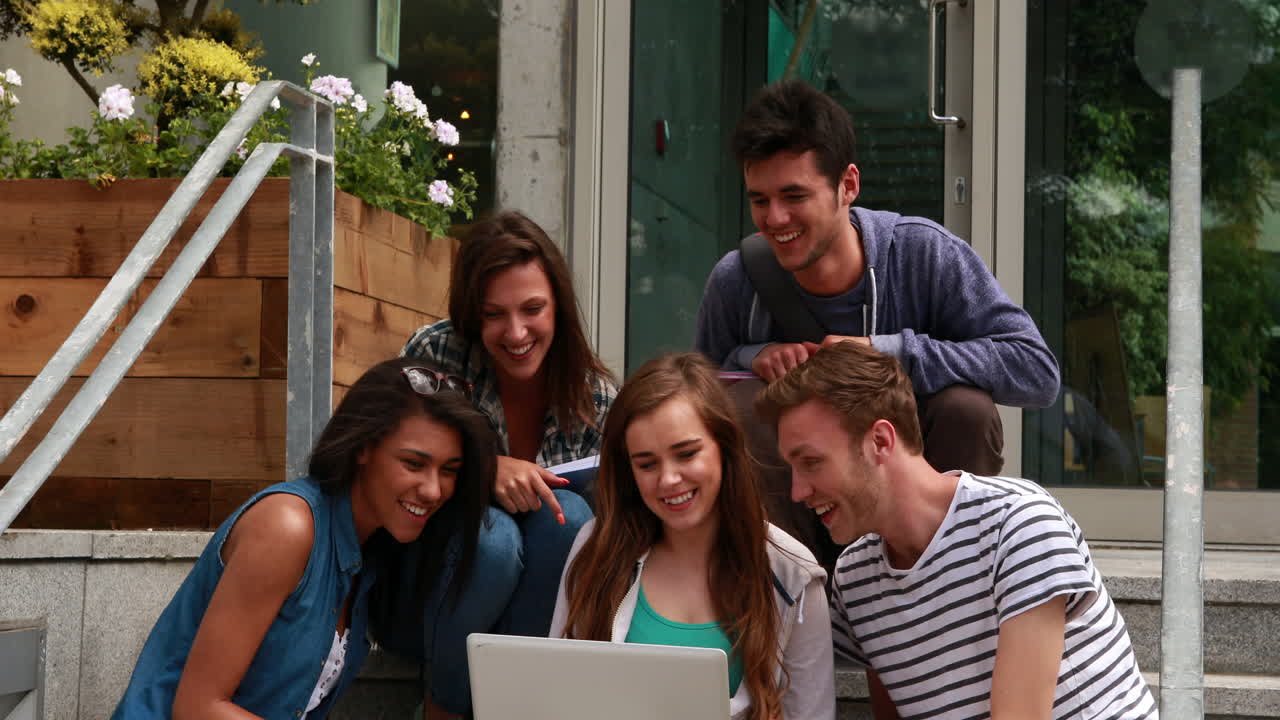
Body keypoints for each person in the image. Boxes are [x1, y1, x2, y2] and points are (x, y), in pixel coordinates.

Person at [695, 79, 1060, 563]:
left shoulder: (921, 254)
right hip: (793, 528)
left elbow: (1036, 371)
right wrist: (748, 358)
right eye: (759, 200)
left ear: (848, 185)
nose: (775, 218)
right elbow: (691, 407)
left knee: (965, 409)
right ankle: (793, 598)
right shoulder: (737, 279)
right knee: (736, 405)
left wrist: (892, 354)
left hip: (911, 519)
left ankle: (946, 578)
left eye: (794, 196)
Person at [757, 342, 1156, 720]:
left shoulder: (1018, 523)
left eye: (811, 462)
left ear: (879, 441)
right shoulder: (856, 577)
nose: (797, 492)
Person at [111, 358, 495, 720]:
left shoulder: (372, 551)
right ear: (363, 447)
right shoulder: (288, 526)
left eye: (449, 470)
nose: (433, 489)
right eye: (413, 464)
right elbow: (198, 708)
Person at [385, 209, 618, 718]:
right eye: (494, 315)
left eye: (532, 309)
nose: (516, 333)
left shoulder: (596, 398)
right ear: (472, 313)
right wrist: (480, 470)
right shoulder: (436, 354)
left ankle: (511, 704)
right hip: (423, 599)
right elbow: (386, 467)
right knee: (492, 539)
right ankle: (442, 708)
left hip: (532, 613)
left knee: (571, 519)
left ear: (558, 306)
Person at [550, 352, 834, 720]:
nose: (668, 479)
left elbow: (812, 714)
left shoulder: (792, 571)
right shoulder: (595, 547)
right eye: (647, 463)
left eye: (686, 454)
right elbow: (557, 695)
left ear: (725, 448)